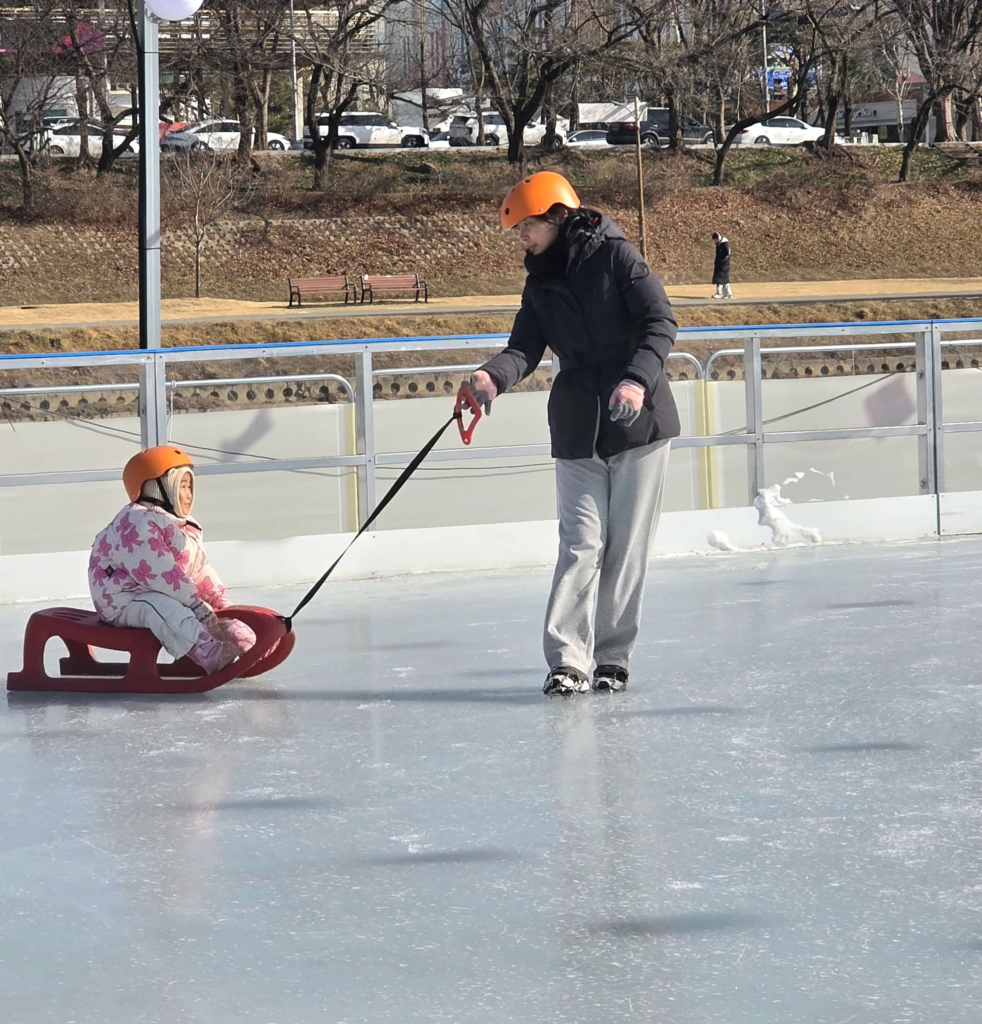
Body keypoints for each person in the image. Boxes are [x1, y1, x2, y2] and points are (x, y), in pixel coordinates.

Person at [468, 171, 680, 696]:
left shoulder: (617, 255)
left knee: (624, 548)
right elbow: (525, 346)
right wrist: (491, 375)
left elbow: (660, 321)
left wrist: (635, 380)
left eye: (528, 227)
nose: (522, 238)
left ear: (558, 217)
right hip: (576, 423)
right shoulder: (539, 279)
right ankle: (567, 660)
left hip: (638, 422)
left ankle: (612, 657)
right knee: (580, 545)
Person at [88, 446, 256, 673]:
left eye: (190, 486)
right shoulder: (135, 524)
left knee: (198, 609)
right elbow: (161, 573)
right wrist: (194, 603)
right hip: (123, 600)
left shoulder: (180, 524)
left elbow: (198, 567)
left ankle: (236, 637)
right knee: (162, 608)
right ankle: (206, 652)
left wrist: (219, 601)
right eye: (181, 486)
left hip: (164, 591)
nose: (188, 494)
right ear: (157, 489)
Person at [712, 231, 732, 299]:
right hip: (719, 264)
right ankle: (728, 294)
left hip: (724, 265)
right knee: (724, 279)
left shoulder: (724, 243)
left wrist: (723, 261)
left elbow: (728, 253)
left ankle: (720, 293)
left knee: (720, 279)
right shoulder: (718, 244)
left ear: (718, 238)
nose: (714, 241)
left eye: (715, 239)